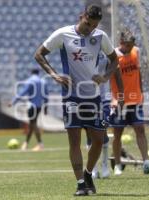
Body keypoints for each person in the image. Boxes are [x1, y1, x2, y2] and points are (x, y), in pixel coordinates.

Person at [34, 4, 123, 196]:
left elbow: (115, 60)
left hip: (93, 96)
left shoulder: (100, 36)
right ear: (81, 16)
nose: (90, 28)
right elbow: (39, 54)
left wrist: (106, 76)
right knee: (74, 140)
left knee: (99, 140)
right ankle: (81, 183)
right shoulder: (63, 34)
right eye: (87, 23)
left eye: (93, 25)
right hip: (71, 95)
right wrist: (54, 75)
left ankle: (88, 173)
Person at [110, 29, 149, 175]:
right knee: (117, 133)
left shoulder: (136, 52)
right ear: (121, 43)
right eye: (128, 46)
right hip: (119, 102)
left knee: (140, 129)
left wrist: (141, 93)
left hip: (135, 100)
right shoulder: (112, 55)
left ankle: (146, 162)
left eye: (132, 45)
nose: (130, 48)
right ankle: (118, 164)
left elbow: (138, 75)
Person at [85, 51, 111, 179]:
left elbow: (115, 70)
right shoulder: (82, 52)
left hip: (103, 99)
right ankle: (93, 169)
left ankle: (105, 165)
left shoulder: (105, 53)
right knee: (89, 133)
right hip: (86, 98)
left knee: (102, 131)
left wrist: (119, 94)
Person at [9, 69, 48, 151]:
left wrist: (13, 102)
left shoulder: (30, 81)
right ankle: (26, 144)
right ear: (38, 73)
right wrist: (46, 108)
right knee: (32, 125)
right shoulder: (43, 82)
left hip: (32, 106)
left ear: (31, 73)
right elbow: (46, 95)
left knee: (33, 124)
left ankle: (40, 144)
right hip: (39, 106)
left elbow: (22, 93)